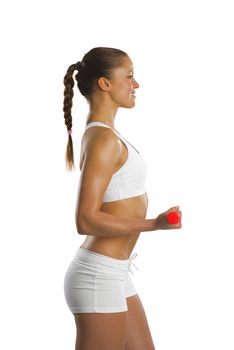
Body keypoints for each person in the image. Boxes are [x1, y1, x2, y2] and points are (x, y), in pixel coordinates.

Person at [62, 47, 182, 350]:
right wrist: (153, 224)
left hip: (115, 272)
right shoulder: (102, 138)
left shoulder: (108, 135)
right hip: (97, 276)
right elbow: (85, 219)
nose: (135, 84)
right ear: (105, 83)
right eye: (128, 76)